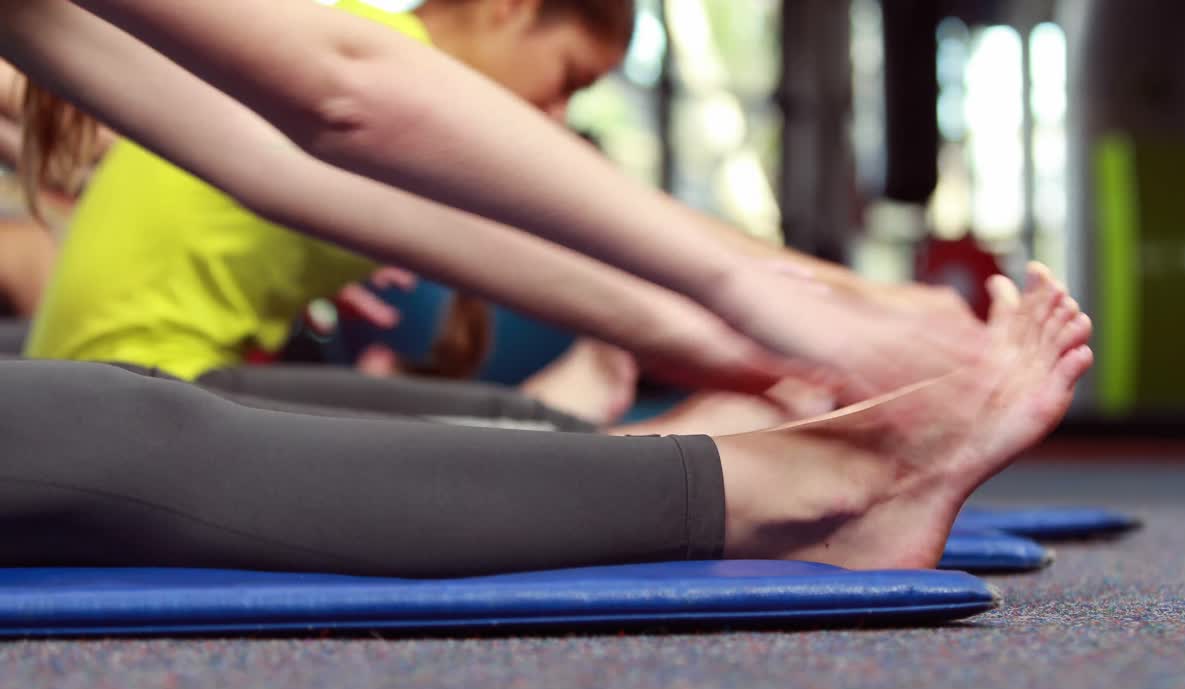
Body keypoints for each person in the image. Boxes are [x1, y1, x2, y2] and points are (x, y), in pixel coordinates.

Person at [0, 0, 1093, 577]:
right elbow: (342, 101)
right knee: (136, 424)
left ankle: (736, 464)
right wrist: (775, 303)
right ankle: (786, 488)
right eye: (568, 81)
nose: (561, 118)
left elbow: (288, 166)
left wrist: (760, 325)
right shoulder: (372, 47)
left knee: (471, 420)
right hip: (131, 368)